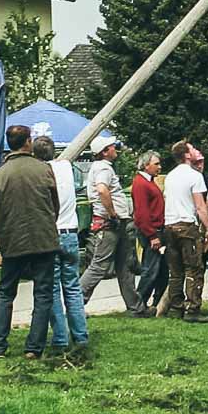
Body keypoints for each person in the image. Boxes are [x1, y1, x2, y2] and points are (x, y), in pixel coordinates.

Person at [0, 124, 59, 357]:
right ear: (28, 142)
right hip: (43, 240)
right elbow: (54, 206)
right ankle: (33, 347)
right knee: (43, 293)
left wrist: (5, 234)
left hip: (12, 241)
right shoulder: (44, 169)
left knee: (6, 293)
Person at [33, 134, 89, 357]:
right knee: (73, 286)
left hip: (50, 234)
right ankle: (81, 335)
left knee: (53, 288)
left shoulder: (39, 174)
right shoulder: (68, 168)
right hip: (71, 232)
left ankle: (60, 337)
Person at [79, 133, 140, 310]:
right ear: (105, 151)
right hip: (110, 224)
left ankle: (136, 306)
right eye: (112, 147)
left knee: (125, 265)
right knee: (99, 266)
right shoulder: (103, 169)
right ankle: (76, 304)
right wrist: (112, 213)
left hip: (115, 223)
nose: (116, 149)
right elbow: (102, 190)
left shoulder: (101, 167)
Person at [162, 140, 208, 321]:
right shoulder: (194, 176)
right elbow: (200, 206)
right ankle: (192, 309)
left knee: (175, 270)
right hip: (186, 226)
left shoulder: (170, 176)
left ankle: (176, 307)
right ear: (186, 155)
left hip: (169, 225)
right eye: (191, 149)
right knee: (194, 269)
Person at [129, 150, 167, 315]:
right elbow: (142, 213)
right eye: (156, 164)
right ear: (146, 165)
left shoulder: (148, 182)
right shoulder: (141, 184)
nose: (159, 167)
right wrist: (152, 235)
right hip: (151, 231)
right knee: (150, 269)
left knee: (161, 269)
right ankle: (139, 304)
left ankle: (157, 302)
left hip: (156, 229)